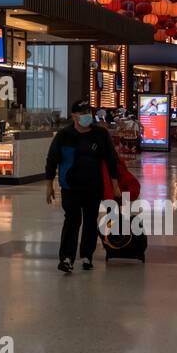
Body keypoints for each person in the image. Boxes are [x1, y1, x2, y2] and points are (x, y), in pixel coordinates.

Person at [45, 100, 121, 273]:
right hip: (70, 187)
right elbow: (52, 160)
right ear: (74, 116)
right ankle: (66, 258)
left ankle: (87, 255)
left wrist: (115, 186)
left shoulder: (100, 134)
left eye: (88, 111)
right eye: (82, 112)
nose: (87, 115)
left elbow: (111, 160)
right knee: (72, 220)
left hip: (94, 186)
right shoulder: (64, 135)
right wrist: (49, 185)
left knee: (89, 220)